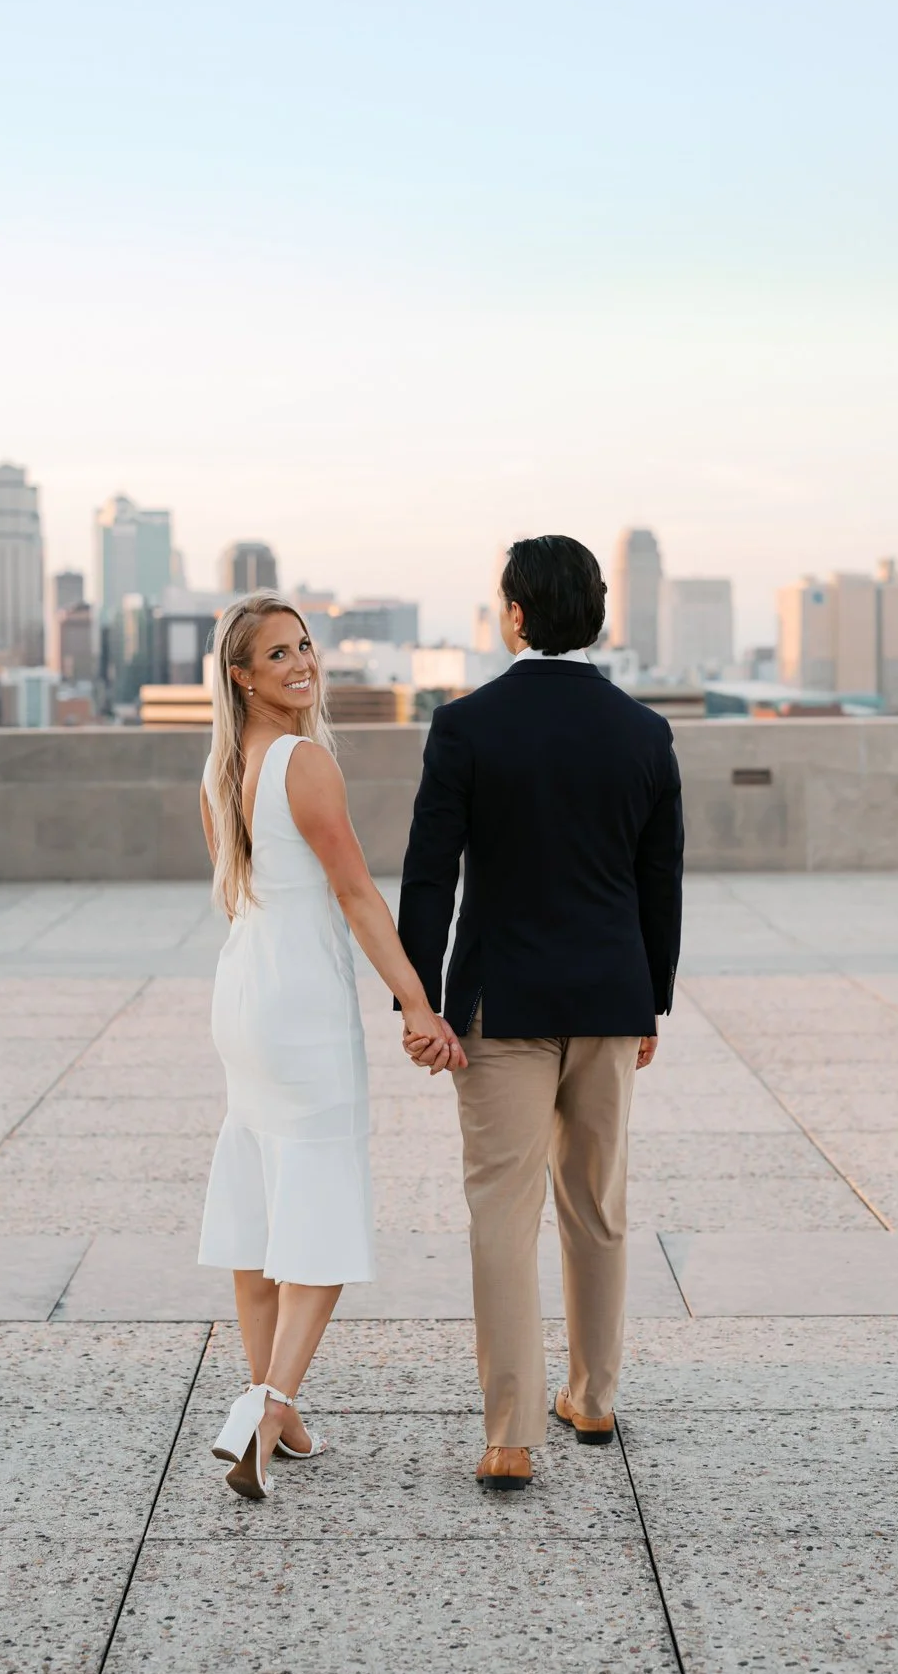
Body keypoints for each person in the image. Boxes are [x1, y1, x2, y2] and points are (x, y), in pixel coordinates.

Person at [397, 535, 683, 1491]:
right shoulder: (644, 733)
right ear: (595, 614)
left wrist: (421, 1002)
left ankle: (510, 1433)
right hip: (608, 999)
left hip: (499, 1004)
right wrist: (650, 1001)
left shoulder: (466, 725)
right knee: (596, 1207)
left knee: (501, 1214)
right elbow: (659, 882)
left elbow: (430, 875)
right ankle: (593, 1396)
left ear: (514, 614)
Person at [199, 591, 462, 1501]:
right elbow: (356, 897)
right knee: (318, 1205)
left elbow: (241, 893)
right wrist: (417, 1005)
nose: (302, 664)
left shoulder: (221, 769)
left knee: (262, 1210)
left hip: (242, 992)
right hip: (300, 1004)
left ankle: (278, 1411)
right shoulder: (304, 762)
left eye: (306, 646)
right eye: (278, 655)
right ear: (242, 676)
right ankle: (267, 1409)